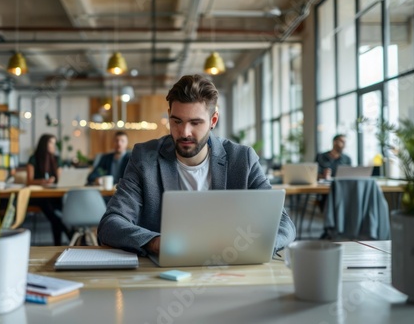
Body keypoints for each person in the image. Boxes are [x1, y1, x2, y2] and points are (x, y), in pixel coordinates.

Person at [97, 74, 296, 256]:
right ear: (169, 116)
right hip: (164, 271)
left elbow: (283, 223)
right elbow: (111, 224)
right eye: (177, 121)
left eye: (195, 122)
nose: (184, 132)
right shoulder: (144, 158)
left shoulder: (242, 159)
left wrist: (254, 247)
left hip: (231, 266)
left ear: (213, 120)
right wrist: (156, 242)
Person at [27, 134, 69, 246]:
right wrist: (42, 182)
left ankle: (60, 241)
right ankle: (68, 235)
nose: (53, 146)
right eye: (51, 142)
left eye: (54, 143)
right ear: (44, 144)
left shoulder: (56, 159)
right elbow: (29, 181)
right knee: (51, 211)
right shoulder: (33, 158)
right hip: (38, 196)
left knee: (58, 211)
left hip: (54, 194)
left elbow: (60, 180)